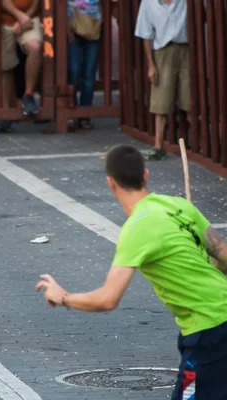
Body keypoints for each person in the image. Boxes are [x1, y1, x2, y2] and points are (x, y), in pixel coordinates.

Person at [36, 144, 227, 400]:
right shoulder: (179, 205)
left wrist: (63, 297)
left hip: (209, 331)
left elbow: (107, 299)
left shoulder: (137, 227)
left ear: (111, 183)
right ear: (145, 175)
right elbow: (222, 252)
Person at [135, 0, 189, 161]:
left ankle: (200, 145)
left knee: (190, 99)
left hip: (187, 48)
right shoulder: (148, 3)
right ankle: (158, 146)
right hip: (163, 51)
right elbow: (146, 35)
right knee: (160, 101)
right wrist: (151, 65)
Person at [0, 0, 42, 116]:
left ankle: (28, 95)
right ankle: (6, 111)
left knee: (35, 47)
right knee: (5, 66)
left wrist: (25, 17)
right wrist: (19, 16)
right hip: (2, 19)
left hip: (29, 17)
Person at [67, 0, 102, 131]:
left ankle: (84, 114)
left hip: (93, 24)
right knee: (73, 70)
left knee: (89, 73)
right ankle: (70, 111)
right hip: (72, 24)